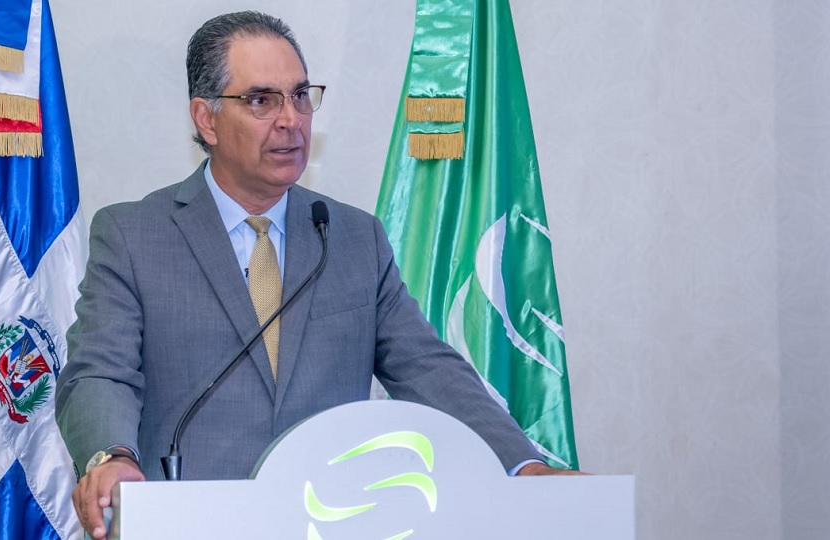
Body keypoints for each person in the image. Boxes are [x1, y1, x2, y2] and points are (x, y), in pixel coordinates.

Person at [55, 10, 579, 539]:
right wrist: (111, 455)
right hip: (190, 524)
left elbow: (427, 369)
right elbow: (100, 373)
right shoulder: (134, 235)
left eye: (300, 96)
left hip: (329, 523)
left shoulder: (353, 237)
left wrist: (521, 465)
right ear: (206, 119)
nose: (291, 119)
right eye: (262, 100)